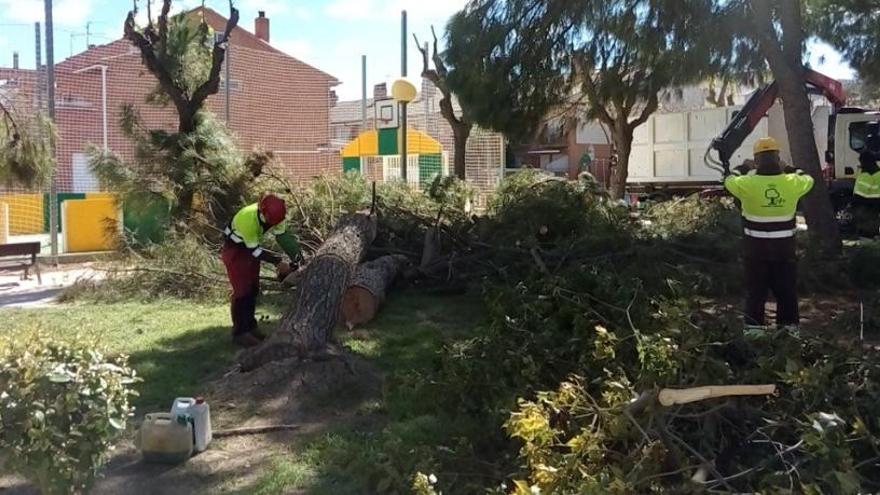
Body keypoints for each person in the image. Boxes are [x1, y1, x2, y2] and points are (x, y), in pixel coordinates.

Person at [724, 137, 814, 332]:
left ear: (756, 160)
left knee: (755, 293)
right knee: (787, 293)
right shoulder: (792, 182)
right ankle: (788, 335)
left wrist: (743, 167)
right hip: (785, 252)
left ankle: (754, 336)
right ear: (778, 158)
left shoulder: (746, 183)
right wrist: (790, 168)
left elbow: (729, 180)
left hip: (755, 252)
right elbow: (808, 178)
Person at [221, 194, 302, 347]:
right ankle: (240, 333)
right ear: (262, 212)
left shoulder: (276, 214)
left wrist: (298, 259)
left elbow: (283, 236)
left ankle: (251, 328)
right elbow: (255, 252)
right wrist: (278, 262)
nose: (273, 224)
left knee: (253, 289)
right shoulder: (248, 219)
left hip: (250, 250)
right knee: (242, 292)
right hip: (235, 252)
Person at [852, 151, 880, 238]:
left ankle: (866, 244)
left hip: (865, 205)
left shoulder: (867, 174)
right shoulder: (878, 172)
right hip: (876, 204)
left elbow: (860, 193)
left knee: (865, 229)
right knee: (874, 225)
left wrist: (852, 203)